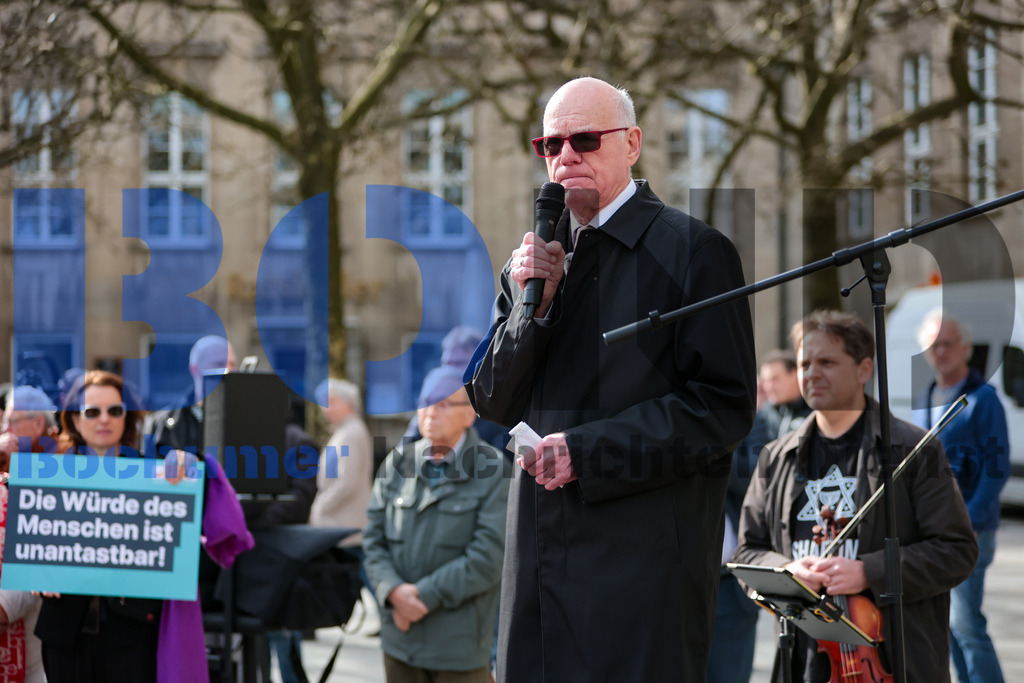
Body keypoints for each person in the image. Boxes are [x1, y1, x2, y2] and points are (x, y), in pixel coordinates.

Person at [464, 76, 756, 680]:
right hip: (540, 566)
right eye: (550, 144)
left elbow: (722, 407)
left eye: (585, 139)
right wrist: (532, 309)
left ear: (632, 143)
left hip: (641, 575)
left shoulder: (693, 252)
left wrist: (587, 453)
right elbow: (491, 400)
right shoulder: (530, 264)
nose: (565, 155)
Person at [734, 310, 978, 682]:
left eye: (827, 362)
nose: (812, 373)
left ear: (864, 370)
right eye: (804, 363)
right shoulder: (775, 456)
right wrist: (787, 572)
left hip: (893, 661)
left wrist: (869, 571)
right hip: (807, 663)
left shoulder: (914, 449)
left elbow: (957, 551)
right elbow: (748, 552)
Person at [34, 370, 252, 683]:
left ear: (128, 417)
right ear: (75, 420)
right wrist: (36, 572)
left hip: (131, 636)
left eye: (115, 410)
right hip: (65, 635)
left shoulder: (157, 473)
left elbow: (203, 492)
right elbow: (30, 544)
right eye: (92, 411)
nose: (104, 419)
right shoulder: (47, 476)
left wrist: (189, 465)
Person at [364, 367, 509, 682]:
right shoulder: (397, 463)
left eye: (444, 403)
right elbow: (373, 540)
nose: (431, 411)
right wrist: (393, 592)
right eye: (425, 402)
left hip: (457, 647)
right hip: (400, 642)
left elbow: (488, 559)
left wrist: (421, 597)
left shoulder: (493, 470)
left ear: (470, 415)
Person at [913, 309, 1009, 682]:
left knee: (966, 623)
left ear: (966, 349)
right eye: (934, 345)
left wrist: (967, 520)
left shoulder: (983, 399)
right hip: (932, 529)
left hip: (969, 529)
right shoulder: (925, 396)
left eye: (948, 343)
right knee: (948, 623)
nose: (941, 351)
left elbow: (995, 469)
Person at [709, 350, 811, 683]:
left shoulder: (750, 425)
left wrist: (710, 445)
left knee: (730, 672)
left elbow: (755, 475)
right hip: (680, 581)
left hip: (728, 584)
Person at [0, 386, 58, 683]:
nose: (5, 430)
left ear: (37, 425)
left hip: (36, 655)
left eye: (12, 421)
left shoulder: (55, 473)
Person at [146, 335, 238, 454]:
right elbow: (151, 469)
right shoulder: (161, 424)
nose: (228, 371)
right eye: (219, 364)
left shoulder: (247, 419)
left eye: (232, 364)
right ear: (195, 368)